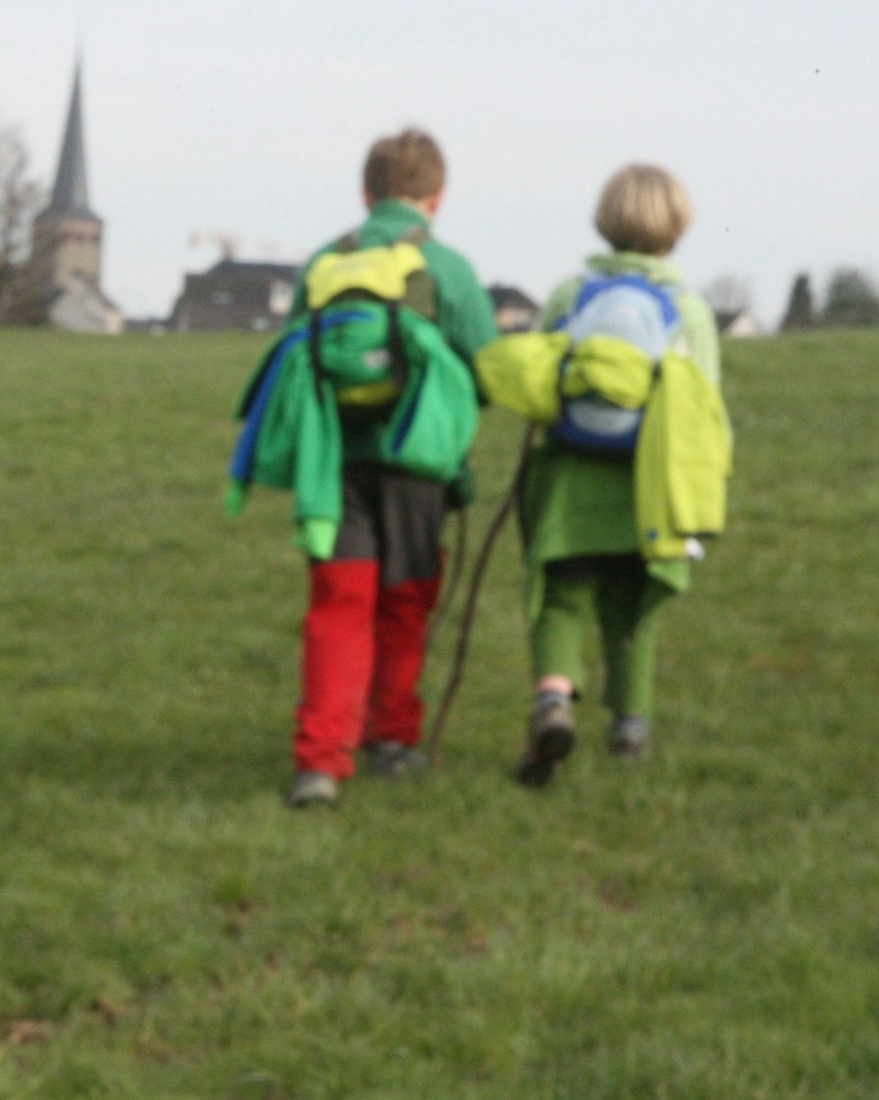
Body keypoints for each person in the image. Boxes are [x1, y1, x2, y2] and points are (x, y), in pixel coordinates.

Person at [280, 128, 498, 807]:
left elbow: (295, 355)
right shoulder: (447, 268)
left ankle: (320, 763)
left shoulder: (325, 262)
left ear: (365, 193)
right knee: (403, 606)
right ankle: (393, 742)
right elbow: (487, 368)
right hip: (418, 469)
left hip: (334, 465)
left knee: (338, 608)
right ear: (438, 198)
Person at [507, 164, 724, 786]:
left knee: (563, 599)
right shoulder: (689, 310)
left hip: (571, 475)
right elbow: (705, 411)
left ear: (604, 220)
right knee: (633, 606)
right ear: (677, 226)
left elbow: (537, 380)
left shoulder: (568, 297)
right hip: (648, 486)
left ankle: (553, 701)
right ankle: (630, 725)